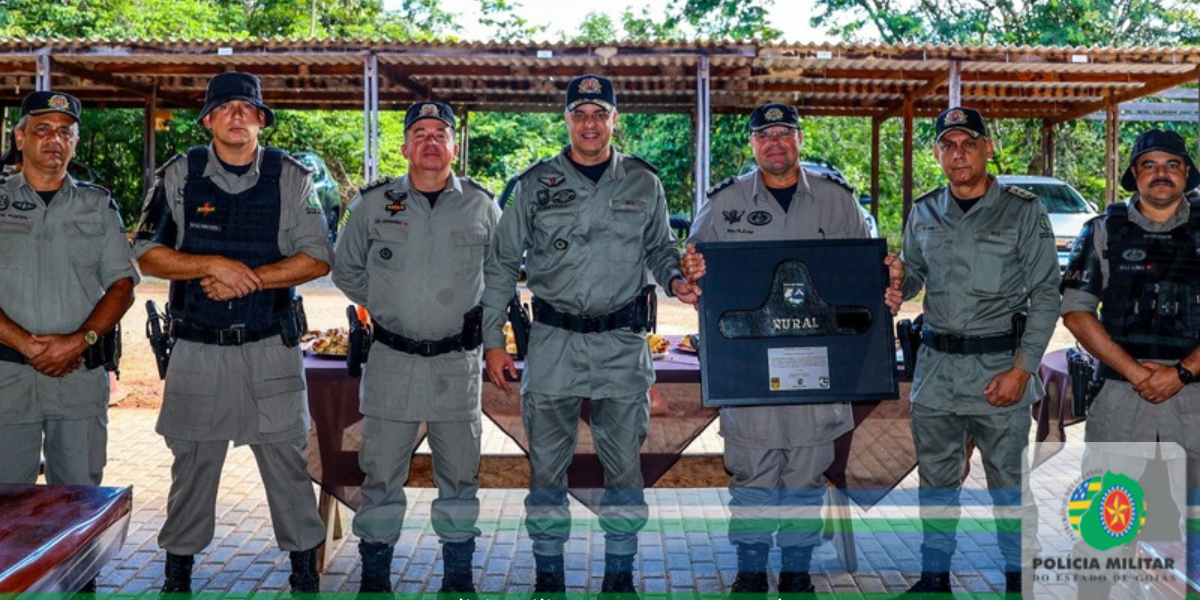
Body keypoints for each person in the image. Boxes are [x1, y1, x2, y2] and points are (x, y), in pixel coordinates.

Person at [480, 74, 700, 593]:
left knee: (624, 469)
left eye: (600, 114)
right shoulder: (533, 184)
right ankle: (549, 575)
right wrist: (493, 339)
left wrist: (675, 279)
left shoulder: (644, 182)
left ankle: (619, 575)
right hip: (554, 341)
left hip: (622, 345)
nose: (590, 124)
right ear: (567, 121)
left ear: (614, 121)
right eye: (579, 114)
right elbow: (500, 263)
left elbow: (662, 248)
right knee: (547, 470)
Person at [132, 72, 330, 593]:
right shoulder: (180, 174)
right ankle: (178, 574)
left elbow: (317, 256)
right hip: (198, 347)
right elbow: (145, 252)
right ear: (209, 120)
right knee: (192, 465)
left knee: (287, 464)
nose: (237, 115)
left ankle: (304, 573)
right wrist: (210, 265)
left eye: (248, 108)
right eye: (226, 108)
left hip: (270, 345)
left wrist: (250, 279)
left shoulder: (291, 177)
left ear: (261, 120)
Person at [677, 102, 869, 594]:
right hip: (750, 367)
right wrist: (690, 274)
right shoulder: (725, 202)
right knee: (753, 471)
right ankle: (751, 567)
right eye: (766, 135)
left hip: (816, 364)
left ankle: (797, 569)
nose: (776, 142)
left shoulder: (837, 200)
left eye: (785, 133)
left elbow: (863, 275)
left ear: (800, 139)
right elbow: (693, 271)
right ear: (753, 145)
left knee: (807, 472)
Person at [883, 107, 1060, 596]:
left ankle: (1016, 581)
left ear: (987, 148)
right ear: (938, 153)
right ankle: (935, 578)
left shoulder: (1023, 211)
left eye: (968, 143)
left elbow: (1047, 295)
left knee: (1008, 487)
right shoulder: (924, 210)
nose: (958, 154)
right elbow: (917, 277)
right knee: (937, 484)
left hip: (999, 371)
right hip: (938, 371)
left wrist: (1023, 371)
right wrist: (898, 283)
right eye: (948, 145)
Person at [332, 101, 499, 594]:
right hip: (392, 362)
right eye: (419, 132)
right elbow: (346, 270)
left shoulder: (482, 206)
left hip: (456, 364)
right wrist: (388, 302)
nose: (430, 141)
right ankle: (377, 576)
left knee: (460, 475)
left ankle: (458, 576)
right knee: (380, 475)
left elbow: (500, 276)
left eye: (440, 133)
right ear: (404, 146)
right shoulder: (372, 204)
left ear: (453, 147)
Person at [1061, 128, 1200, 597]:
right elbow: (1077, 313)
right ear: (1134, 175)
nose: (1161, 174)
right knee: (1103, 534)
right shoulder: (1102, 230)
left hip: (1195, 399)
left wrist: (1183, 372)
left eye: (1172, 165)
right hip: (1122, 399)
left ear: (1187, 173)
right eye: (1149, 165)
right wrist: (1139, 372)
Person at [0, 92, 136, 489]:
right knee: (5, 507)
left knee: (79, 502)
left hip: (77, 377)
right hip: (7, 379)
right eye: (42, 129)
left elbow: (122, 285)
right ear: (19, 136)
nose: (54, 139)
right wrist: (25, 344)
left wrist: (80, 341)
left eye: (65, 132)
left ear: (75, 143)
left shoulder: (98, 206)